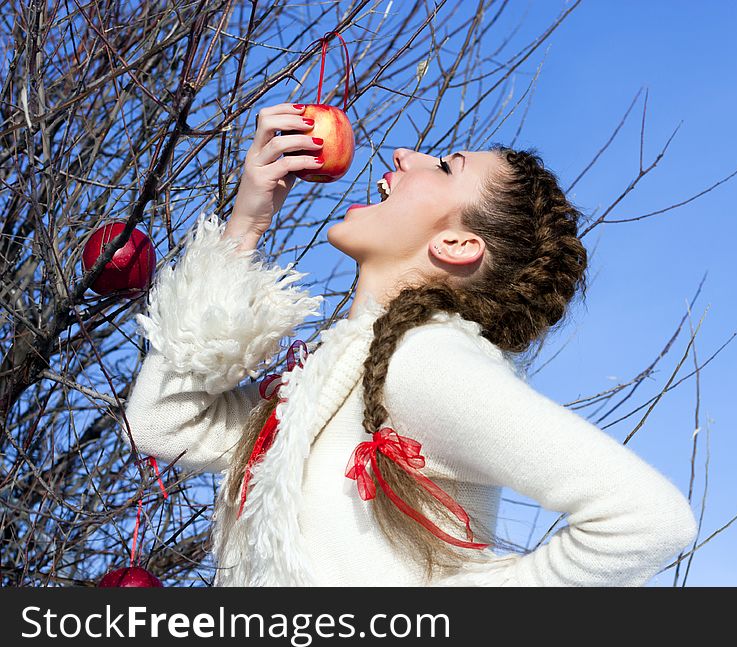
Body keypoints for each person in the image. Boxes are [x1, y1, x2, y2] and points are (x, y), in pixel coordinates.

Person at [124, 102, 698, 586]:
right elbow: (165, 423)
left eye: (447, 167)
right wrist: (244, 227)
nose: (406, 155)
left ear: (455, 242)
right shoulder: (329, 380)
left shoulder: (423, 361)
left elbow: (648, 519)